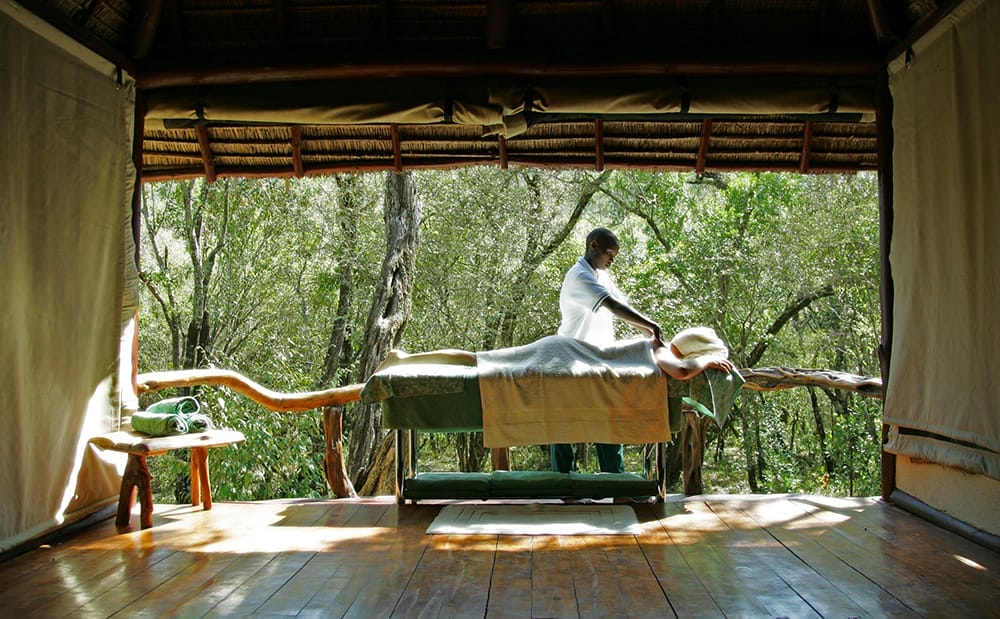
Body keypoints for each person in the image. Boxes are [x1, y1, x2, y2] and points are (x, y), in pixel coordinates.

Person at [551, 227, 666, 475]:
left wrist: (650, 334)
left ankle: (616, 483)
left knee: (608, 423)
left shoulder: (601, 275)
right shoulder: (579, 277)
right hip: (571, 358)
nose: (612, 260)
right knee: (563, 426)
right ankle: (563, 487)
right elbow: (612, 305)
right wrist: (652, 326)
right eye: (609, 253)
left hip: (599, 361)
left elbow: (623, 306)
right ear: (593, 246)